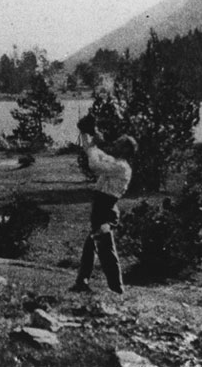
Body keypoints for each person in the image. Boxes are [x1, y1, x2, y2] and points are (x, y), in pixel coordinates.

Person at [71, 115, 137, 294]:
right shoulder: (115, 162)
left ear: (125, 150)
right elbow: (91, 152)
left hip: (106, 209)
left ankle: (116, 288)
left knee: (105, 247)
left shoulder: (121, 167)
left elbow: (94, 164)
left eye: (119, 143)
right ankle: (82, 282)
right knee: (91, 245)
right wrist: (86, 134)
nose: (114, 144)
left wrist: (94, 143)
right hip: (102, 207)